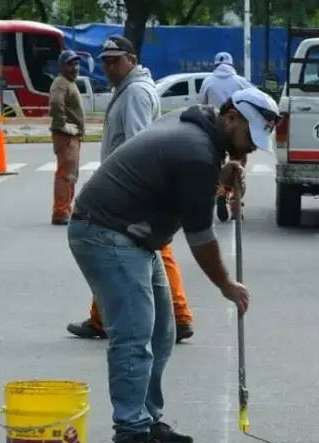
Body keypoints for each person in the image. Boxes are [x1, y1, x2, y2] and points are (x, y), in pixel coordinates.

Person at [67, 87, 282, 443]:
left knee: (162, 331)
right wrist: (226, 285)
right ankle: (131, 434)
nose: (250, 150)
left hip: (133, 235)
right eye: (250, 137)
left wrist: (220, 173)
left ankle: (147, 420)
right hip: (106, 232)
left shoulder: (200, 133)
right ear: (230, 117)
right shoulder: (197, 152)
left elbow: (177, 177)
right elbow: (201, 237)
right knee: (134, 335)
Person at [66, 35, 196, 344]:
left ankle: (178, 315)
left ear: (132, 61)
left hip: (128, 187)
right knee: (114, 246)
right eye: (106, 62)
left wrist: (127, 186)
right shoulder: (129, 89)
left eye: (116, 61)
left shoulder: (135, 92)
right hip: (124, 186)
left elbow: (138, 143)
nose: (110, 67)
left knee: (151, 249)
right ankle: (101, 318)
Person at [198, 52, 255, 223]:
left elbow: (201, 104)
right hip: (236, 131)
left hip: (215, 129)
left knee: (218, 165)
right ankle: (235, 201)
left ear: (215, 65)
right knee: (238, 165)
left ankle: (221, 190)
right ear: (232, 65)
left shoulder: (208, 81)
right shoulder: (241, 81)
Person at [48, 50, 86, 225]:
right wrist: (63, 124)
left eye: (76, 64)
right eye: (70, 64)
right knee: (66, 174)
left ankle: (64, 209)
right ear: (61, 66)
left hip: (72, 135)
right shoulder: (61, 83)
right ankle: (61, 211)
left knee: (71, 173)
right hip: (66, 136)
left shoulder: (68, 82)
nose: (75, 67)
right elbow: (56, 103)